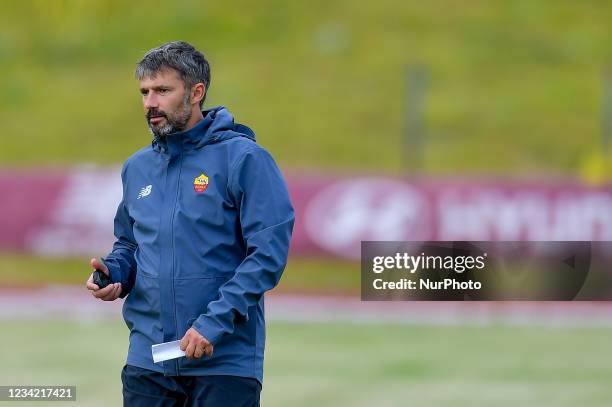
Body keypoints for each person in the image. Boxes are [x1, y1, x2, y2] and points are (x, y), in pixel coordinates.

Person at [85, 41, 294, 406]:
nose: (151, 102)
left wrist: (212, 324)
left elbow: (266, 256)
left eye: (163, 90)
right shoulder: (138, 167)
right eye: (145, 92)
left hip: (224, 363)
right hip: (148, 361)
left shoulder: (244, 159)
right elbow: (131, 243)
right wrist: (115, 272)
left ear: (196, 93)